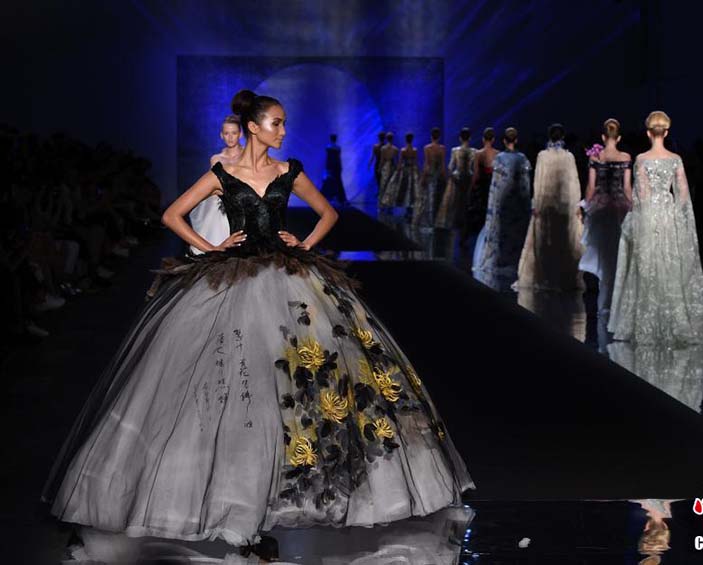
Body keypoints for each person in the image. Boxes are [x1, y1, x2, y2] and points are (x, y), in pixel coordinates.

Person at [43, 89, 474, 560]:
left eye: (284, 123)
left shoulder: (289, 171)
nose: (284, 131)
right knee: (234, 381)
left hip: (288, 276)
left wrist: (304, 243)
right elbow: (171, 214)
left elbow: (329, 212)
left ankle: (285, 492)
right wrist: (211, 248)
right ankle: (232, 496)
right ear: (254, 127)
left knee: (299, 377)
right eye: (276, 123)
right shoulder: (223, 174)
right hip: (233, 277)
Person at [608, 111, 703, 344]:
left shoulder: (642, 159)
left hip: (649, 217)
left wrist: (639, 220)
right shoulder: (675, 159)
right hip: (669, 217)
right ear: (666, 132)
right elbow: (683, 195)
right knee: (670, 266)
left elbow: (642, 196)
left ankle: (648, 324)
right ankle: (673, 321)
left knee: (648, 266)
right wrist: (678, 219)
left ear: (649, 133)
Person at [515, 123, 585, 337]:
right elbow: (573, 182)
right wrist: (576, 205)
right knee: (562, 241)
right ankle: (561, 277)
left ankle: (547, 277)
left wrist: (536, 204)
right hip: (563, 205)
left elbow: (538, 181)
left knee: (547, 242)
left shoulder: (543, 156)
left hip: (547, 205)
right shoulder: (568, 157)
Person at [579, 118, 632, 343]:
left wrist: (585, 207)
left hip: (601, 209)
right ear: (618, 138)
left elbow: (591, 188)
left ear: (603, 137)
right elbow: (627, 188)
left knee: (603, 258)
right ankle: (613, 307)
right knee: (616, 259)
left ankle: (605, 305)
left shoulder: (596, 158)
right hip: (619, 210)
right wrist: (634, 210)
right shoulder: (626, 157)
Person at [472, 127, 531, 293]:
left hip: (503, 200)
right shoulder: (522, 159)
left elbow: (495, 185)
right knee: (516, 231)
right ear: (516, 140)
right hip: (517, 201)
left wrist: (492, 207)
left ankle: (502, 260)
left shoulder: (499, 159)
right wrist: (526, 204)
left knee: (502, 231)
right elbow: (525, 185)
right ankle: (515, 261)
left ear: (504, 141)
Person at [189, 114, 242, 255]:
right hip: (220, 204)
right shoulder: (216, 159)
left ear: (240, 134)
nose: (230, 137)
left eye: (234, 133)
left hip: (243, 202)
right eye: (226, 133)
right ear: (221, 135)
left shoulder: (246, 157)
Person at [436, 127, 475, 230]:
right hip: (469, 177)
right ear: (470, 138)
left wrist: (452, 177)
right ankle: (465, 223)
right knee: (465, 201)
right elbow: (473, 168)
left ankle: (455, 223)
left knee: (454, 202)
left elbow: (450, 167)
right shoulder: (474, 151)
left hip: (456, 177)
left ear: (460, 138)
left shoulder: (455, 150)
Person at [466, 127, 498, 242]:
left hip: (483, 185)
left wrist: (471, 187)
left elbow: (476, 174)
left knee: (482, 211)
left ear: (483, 139)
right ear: (493, 139)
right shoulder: (497, 153)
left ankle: (482, 236)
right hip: (493, 185)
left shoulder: (478, 153)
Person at [381, 132, 419, 213]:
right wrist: (417, 171)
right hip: (412, 170)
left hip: (405, 170)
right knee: (411, 187)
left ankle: (404, 204)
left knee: (403, 187)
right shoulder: (414, 150)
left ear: (406, 140)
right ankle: (409, 206)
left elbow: (400, 162)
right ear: (412, 140)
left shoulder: (403, 150)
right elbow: (415, 162)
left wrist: (397, 171)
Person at [416, 127, 447, 226]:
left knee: (429, 196)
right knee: (437, 196)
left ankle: (430, 219)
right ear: (439, 137)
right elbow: (443, 164)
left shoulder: (427, 148)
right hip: (438, 174)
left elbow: (427, 163)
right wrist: (444, 176)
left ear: (431, 137)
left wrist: (423, 176)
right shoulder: (442, 148)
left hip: (430, 173)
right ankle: (435, 219)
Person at [320, 133, 348, 206]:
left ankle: (331, 197)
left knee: (331, 182)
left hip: (331, 166)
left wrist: (327, 168)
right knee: (337, 182)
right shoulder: (337, 148)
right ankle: (339, 198)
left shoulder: (329, 147)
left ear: (331, 139)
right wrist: (340, 167)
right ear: (335, 139)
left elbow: (328, 159)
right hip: (336, 166)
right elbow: (338, 159)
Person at [377, 131, 398, 207]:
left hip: (386, 166)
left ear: (386, 138)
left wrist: (379, 168)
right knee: (391, 184)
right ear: (392, 139)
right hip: (392, 166)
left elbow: (382, 160)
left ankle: (382, 202)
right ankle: (389, 201)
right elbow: (396, 160)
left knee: (383, 183)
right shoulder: (395, 149)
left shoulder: (383, 148)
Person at [368, 131, 386, 196]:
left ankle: (380, 191)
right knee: (383, 178)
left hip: (378, 163)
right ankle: (382, 191)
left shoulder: (376, 146)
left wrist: (369, 164)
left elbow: (372, 156)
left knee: (378, 178)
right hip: (384, 164)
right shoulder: (385, 146)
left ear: (379, 138)